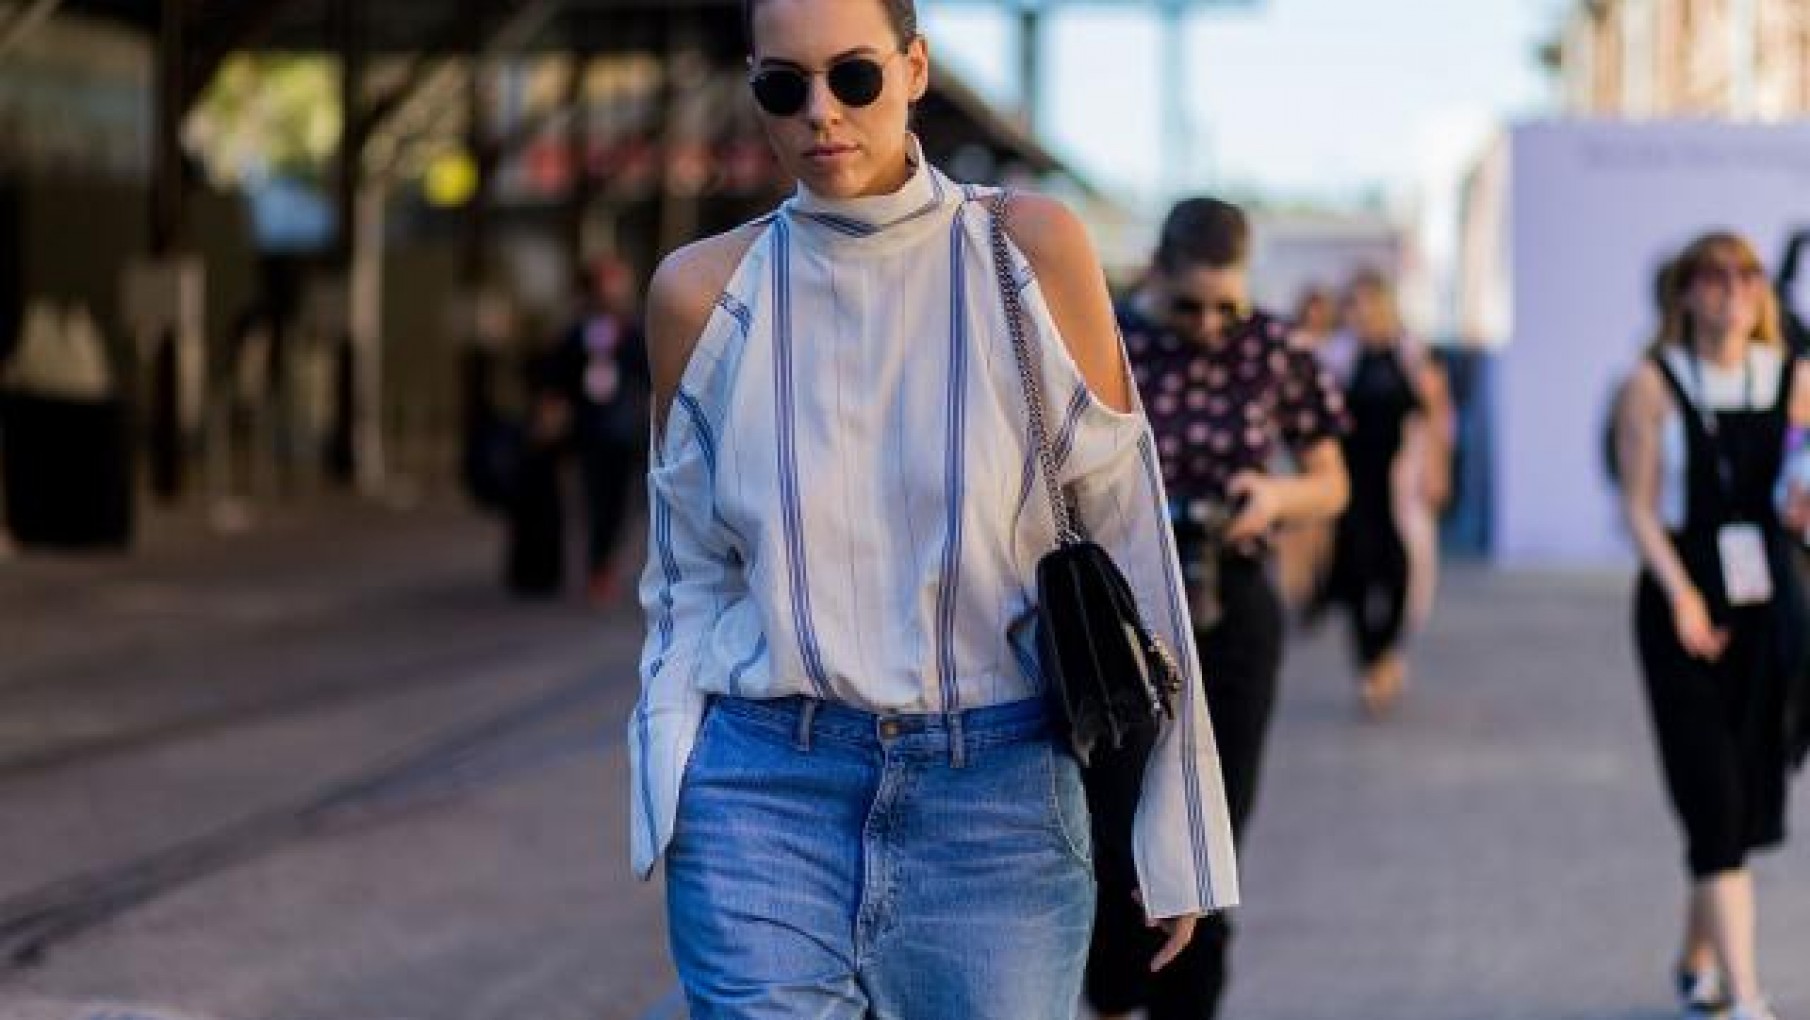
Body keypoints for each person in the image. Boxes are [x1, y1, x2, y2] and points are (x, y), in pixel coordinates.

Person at [628, 1, 1238, 1016]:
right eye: (783, 85)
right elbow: (686, 572)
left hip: (997, 800)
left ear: (914, 68)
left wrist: (1176, 819)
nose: (821, 111)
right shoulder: (701, 295)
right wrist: (668, 777)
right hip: (760, 794)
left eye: (854, 76)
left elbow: (1129, 529)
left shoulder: (1029, 251)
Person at [1087, 198, 1349, 1020]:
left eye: (1225, 307)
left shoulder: (1273, 346)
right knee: (1115, 827)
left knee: (1211, 838)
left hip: (1231, 599)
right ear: (1156, 274)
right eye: (1188, 306)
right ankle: (1114, 990)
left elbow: (1331, 481)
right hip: (1119, 604)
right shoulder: (1102, 336)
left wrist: (1273, 496)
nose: (1208, 326)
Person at [1615, 231, 1810, 1020]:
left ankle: (1697, 962)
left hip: (1770, 609)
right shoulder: (1651, 383)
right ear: (1687, 291)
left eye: (1748, 275)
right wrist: (1682, 595)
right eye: (1715, 275)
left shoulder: (1793, 378)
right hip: (1682, 605)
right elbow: (1637, 507)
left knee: (1744, 801)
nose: (1734, 289)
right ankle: (1748, 997)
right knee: (1712, 799)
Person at [1318, 269, 1450, 714]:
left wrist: (1438, 471)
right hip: (1353, 484)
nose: (1363, 313)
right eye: (1354, 304)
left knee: (1402, 574)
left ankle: (1386, 653)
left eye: (1370, 303)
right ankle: (1371, 664)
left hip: (1400, 484)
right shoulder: (1338, 356)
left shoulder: (1412, 354)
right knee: (1355, 575)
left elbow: (1437, 415)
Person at [547, 257, 650, 608]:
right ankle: (597, 564)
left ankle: (605, 560)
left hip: (625, 430)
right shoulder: (578, 330)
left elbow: (647, 372)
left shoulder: (634, 329)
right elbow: (559, 373)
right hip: (590, 429)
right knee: (594, 501)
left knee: (620, 504)